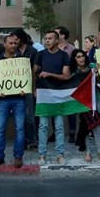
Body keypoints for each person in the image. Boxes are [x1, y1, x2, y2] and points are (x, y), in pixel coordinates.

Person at [0, 33, 29, 169]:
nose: (13, 45)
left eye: (15, 43)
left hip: (19, 99)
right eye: (10, 43)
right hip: (3, 100)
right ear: (5, 44)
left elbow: (26, 78)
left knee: (20, 129)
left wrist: (25, 89)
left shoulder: (23, 60)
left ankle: (18, 156)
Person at [35, 30, 71, 165]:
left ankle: (60, 154)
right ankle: (41, 155)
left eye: (50, 38)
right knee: (43, 125)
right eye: (45, 38)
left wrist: (50, 74)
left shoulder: (63, 56)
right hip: (43, 93)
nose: (47, 41)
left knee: (59, 126)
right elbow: (33, 73)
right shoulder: (40, 55)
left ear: (57, 40)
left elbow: (66, 76)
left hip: (58, 93)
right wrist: (34, 90)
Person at [71, 48, 100, 163]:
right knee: (86, 126)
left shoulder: (92, 66)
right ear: (74, 59)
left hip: (94, 100)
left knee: (96, 125)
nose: (81, 59)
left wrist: (97, 75)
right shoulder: (74, 72)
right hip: (81, 102)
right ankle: (88, 152)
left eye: (82, 56)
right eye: (78, 57)